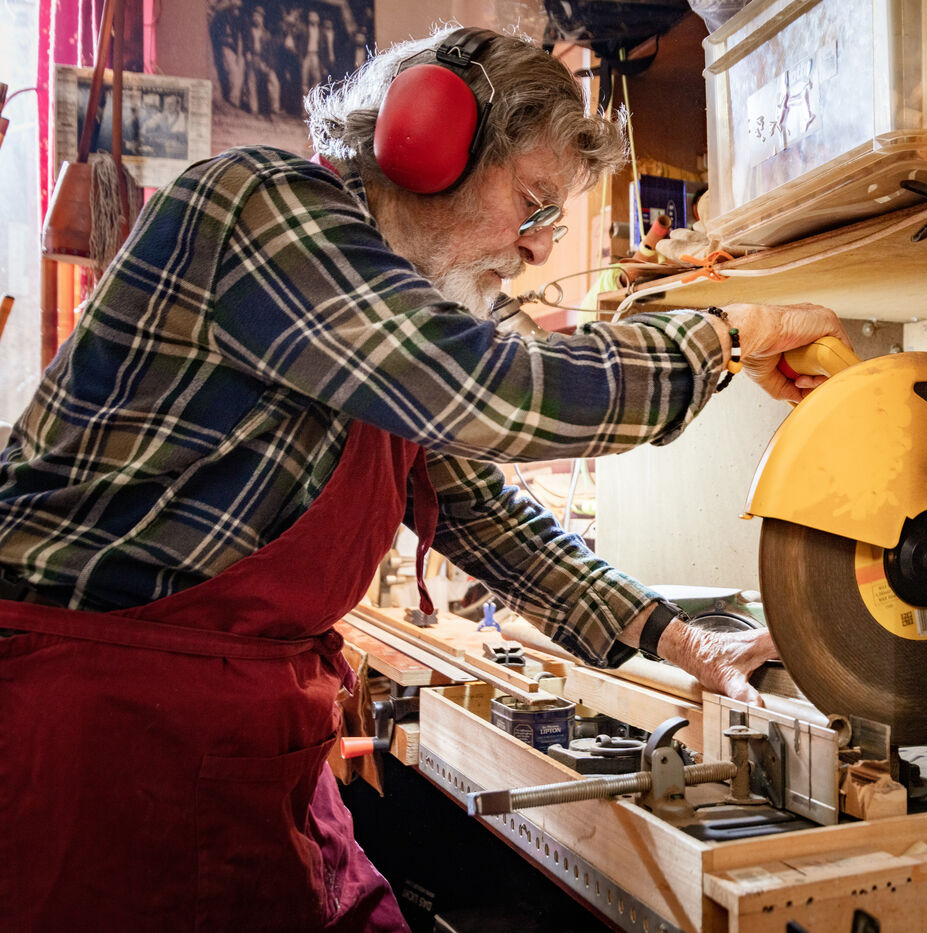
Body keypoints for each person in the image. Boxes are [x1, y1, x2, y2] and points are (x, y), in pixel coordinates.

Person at [0, 23, 847, 933]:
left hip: (234, 739)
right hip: (97, 739)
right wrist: (726, 335)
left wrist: (682, 640)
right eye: (532, 205)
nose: (537, 250)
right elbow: (495, 391)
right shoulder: (256, 204)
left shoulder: (385, 317)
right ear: (428, 138)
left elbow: (491, 520)